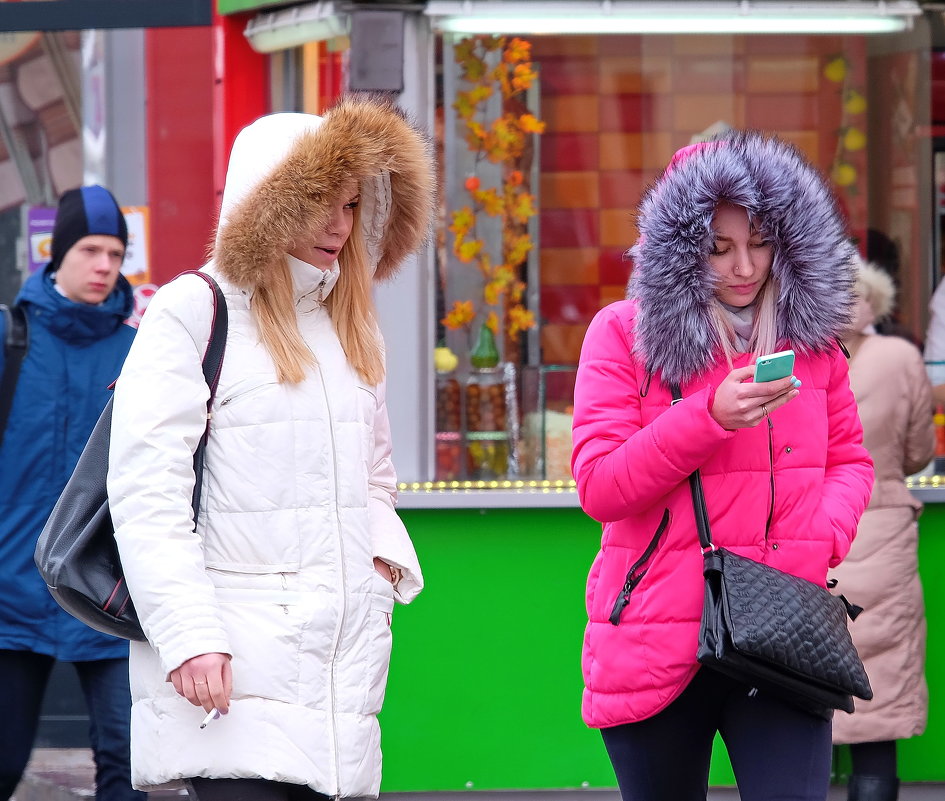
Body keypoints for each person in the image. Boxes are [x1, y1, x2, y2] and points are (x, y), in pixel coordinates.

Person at [105, 94, 434, 801]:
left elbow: (377, 476)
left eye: (350, 206)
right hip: (231, 673)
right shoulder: (193, 310)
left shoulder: (353, 329)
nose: (338, 226)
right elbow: (146, 490)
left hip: (338, 674)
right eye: (320, 204)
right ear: (267, 201)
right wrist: (190, 635)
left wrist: (379, 564)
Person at [571, 131, 873, 801]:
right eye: (718, 247)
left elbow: (850, 460)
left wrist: (818, 538)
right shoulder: (623, 333)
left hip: (781, 628)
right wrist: (707, 417)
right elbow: (599, 484)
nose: (744, 266)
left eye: (759, 242)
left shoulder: (813, 345)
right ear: (680, 248)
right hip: (657, 633)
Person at [0, 185, 142, 801]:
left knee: (131, 769)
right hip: (11, 594)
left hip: (108, 590)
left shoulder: (142, 352)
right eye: (90, 249)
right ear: (57, 256)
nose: (105, 266)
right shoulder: (11, 340)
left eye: (115, 253)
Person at [831, 258, 933, 801]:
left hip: (812, 537)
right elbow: (920, 451)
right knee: (879, 701)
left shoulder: (788, 357)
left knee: (806, 694)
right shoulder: (899, 356)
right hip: (885, 533)